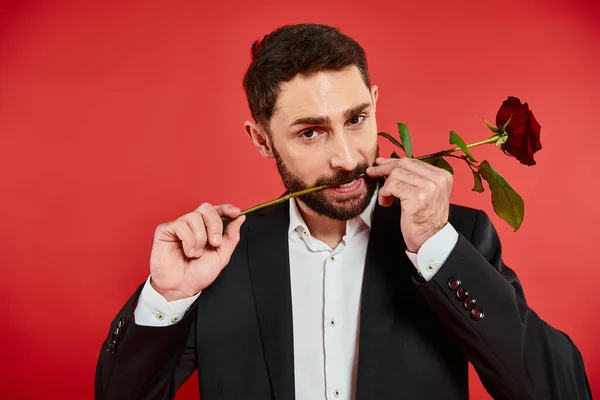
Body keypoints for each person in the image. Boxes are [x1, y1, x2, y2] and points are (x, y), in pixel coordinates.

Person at [95, 24, 591, 400]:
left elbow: (561, 391)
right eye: (310, 132)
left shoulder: (455, 236)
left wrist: (438, 249)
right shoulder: (219, 258)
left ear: (375, 103)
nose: (348, 158)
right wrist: (168, 296)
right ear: (262, 140)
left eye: (356, 120)